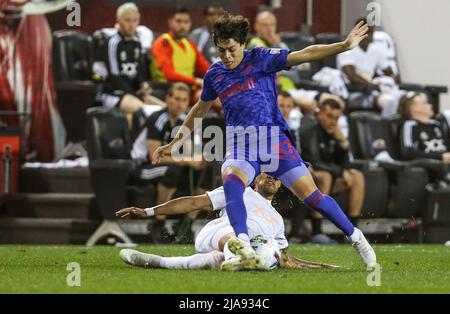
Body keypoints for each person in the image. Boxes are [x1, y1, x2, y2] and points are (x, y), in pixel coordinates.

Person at [152, 13, 376, 269]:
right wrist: (174, 143)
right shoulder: (215, 74)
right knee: (232, 183)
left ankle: (357, 239)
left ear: (242, 45)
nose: (226, 56)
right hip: (241, 144)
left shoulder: (261, 59)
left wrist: (343, 46)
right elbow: (199, 109)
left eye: (231, 49)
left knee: (312, 197)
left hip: (273, 140)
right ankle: (243, 243)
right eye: (221, 50)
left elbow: (304, 53)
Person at [116, 173, 341, 271]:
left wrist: (324, 267)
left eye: (277, 176)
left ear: (281, 186)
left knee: (267, 249)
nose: (272, 177)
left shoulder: (278, 221)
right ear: (256, 178)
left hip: (255, 244)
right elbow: (193, 204)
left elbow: (285, 259)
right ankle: (241, 255)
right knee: (232, 236)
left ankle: (159, 262)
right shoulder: (237, 191)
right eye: (267, 173)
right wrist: (148, 211)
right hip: (220, 232)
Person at [131, 82, 205, 243]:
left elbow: (190, 153)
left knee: (205, 170)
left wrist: (198, 160)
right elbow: (154, 158)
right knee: (172, 170)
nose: (180, 104)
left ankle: (186, 224)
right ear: (167, 99)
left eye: (184, 100)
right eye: (176, 99)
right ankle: (159, 222)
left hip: (168, 164)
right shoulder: (158, 119)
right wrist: (187, 161)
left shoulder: (183, 121)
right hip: (142, 167)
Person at [300, 98, 365, 243]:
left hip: (329, 174)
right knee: (325, 177)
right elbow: (314, 161)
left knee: (358, 177)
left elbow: (345, 164)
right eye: (329, 116)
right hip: (306, 176)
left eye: (336, 118)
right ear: (319, 114)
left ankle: (353, 233)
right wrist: (341, 173)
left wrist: (343, 143)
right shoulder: (309, 128)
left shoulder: (333, 132)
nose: (333, 121)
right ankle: (317, 232)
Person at [94, 2, 165, 118]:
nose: (131, 25)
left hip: (132, 92)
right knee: (143, 112)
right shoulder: (112, 43)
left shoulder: (137, 42)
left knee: (166, 111)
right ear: (118, 20)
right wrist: (135, 95)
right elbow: (114, 77)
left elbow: (137, 73)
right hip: (112, 93)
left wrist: (142, 85)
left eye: (135, 20)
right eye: (127, 20)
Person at [337, 18, 400, 116]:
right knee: (389, 102)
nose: (368, 36)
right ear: (356, 33)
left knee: (401, 99)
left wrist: (392, 78)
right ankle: (383, 129)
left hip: (370, 91)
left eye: (370, 32)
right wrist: (372, 85)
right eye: (364, 32)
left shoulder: (375, 49)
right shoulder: (347, 49)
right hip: (352, 93)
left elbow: (388, 71)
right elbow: (352, 76)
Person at [151, 7, 210, 89]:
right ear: (170, 22)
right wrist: (196, 81)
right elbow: (169, 75)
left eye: (186, 22)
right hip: (166, 89)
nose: (183, 26)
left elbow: (207, 70)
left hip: (188, 88)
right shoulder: (163, 43)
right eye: (178, 21)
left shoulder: (190, 45)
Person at [399, 92, 450, 164]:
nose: (430, 105)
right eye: (425, 103)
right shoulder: (410, 126)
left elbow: (447, 144)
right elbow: (408, 152)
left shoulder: (436, 124)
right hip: (429, 167)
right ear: (414, 108)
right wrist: (440, 157)